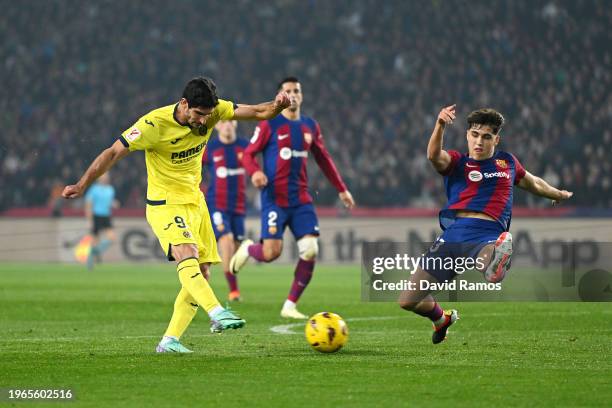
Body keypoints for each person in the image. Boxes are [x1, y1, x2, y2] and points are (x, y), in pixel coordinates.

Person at [63, 77, 290, 353]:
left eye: (208, 116)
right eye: (198, 115)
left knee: (203, 272)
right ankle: (217, 312)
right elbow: (113, 153)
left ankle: (169, 341)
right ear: (184, 104)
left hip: (195, 201)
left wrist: (278, 105)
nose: (204, 122)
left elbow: (257, 112)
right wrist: (82, 184)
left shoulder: (213, 111)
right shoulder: (153, 124)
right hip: (165, 203)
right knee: (186, 252)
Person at [398, 105, 573, 344]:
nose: (479, 141)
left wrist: (558, 194)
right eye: (475, 135)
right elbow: (433, 156)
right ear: (467, 135)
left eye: (487, 136)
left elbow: (534, 183)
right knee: (408, 300)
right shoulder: (458, 162)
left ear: (496, 139)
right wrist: (439, 125)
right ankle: (441, 319)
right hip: (453, 234)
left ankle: (495, 261)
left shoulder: (507, 163)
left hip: (487, 232)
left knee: (490, 267)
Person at [230, 77, 355, 319]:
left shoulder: (310, 126)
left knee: (310, 249)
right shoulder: (269, 124)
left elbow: (323, 159)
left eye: (296, 90)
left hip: (301, 200)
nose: (293, 94)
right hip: (274, 198)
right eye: (287, 91)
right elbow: (248, 154)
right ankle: (248, 249)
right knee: (271, 253)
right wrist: (255, 172)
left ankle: (289, 305)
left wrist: (342, 188)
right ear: (280, 96)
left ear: (302, 95)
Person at [202, 120, 249, 302]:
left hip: (238, 205)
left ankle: (211, 273)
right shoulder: (211, 148)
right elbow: (195, 166)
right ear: (218, 126)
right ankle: (234, 292)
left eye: (231, 121)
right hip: (217, 204)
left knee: (235, 253)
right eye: (223, 121)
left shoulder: (244, 146)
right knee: (226, 240)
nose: (227, 125)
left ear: (236, 123)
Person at [84, 173, 118, 270]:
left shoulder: (110, 190)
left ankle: (96, 251)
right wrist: (89, 220)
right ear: (99, 179)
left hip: (106, 216)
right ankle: (90, 264)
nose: (104, 179)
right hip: (96, 216)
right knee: (95, 240)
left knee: (112, 238)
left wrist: (114, 203)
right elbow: (88, 204)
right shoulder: (94, 189)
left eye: (106, 177)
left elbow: (109, 201)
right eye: (103, 177)